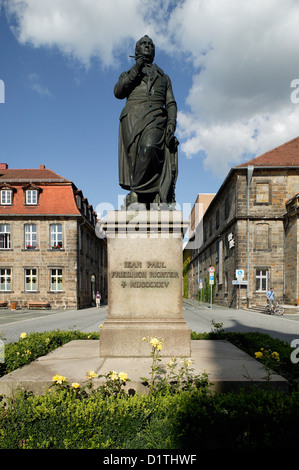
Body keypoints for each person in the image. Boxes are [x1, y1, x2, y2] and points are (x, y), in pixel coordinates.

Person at [114, 35, 179, 209]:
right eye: (144, 44)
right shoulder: (128, 74)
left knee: (149, 148)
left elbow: (171, 102)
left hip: (156, 117)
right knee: (133, 157)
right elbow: (119, 92)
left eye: (150, 44)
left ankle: (138, 191)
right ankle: (137, 198)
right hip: (132, 117)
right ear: (137, 51)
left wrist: (171, 123)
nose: (147, 46)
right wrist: (137, 67)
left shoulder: (163, 77)